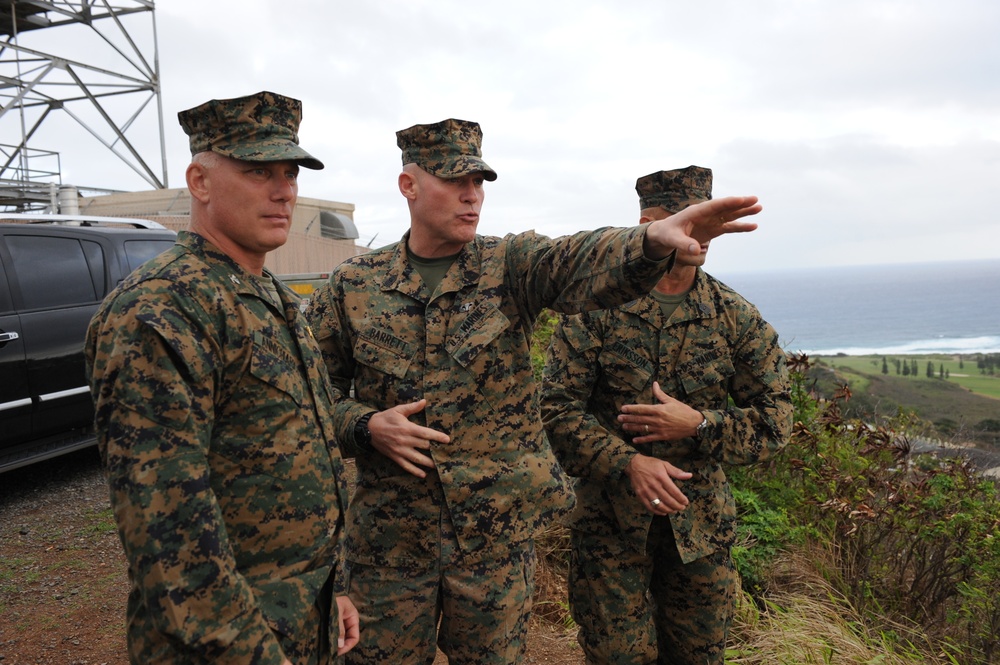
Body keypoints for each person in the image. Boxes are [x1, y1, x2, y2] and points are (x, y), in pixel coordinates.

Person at [305, 121, 762, 664]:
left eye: (479, 181)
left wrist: (649, 242)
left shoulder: (511, 266)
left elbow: (576, 261)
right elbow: (310, 399)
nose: (472, 195)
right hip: (388, 543)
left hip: (493, 541)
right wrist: (365, 425)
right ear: (409, 185)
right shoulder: (353, 286)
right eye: (455, 181)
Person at [85, 91, 359, 665]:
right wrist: (248, 652)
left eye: (289, 173)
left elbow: (295, 452)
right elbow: (167, 526)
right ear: (200, 182)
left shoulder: (269, 297)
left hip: (298, 619)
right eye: (259, 172)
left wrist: (333, 592)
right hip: (224, 644)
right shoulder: (161, 310)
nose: (284, 191)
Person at [540, 165, 793, 664]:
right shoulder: (596, 310)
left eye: (710, 221)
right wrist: (627, 463)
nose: (702, 233)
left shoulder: (732, 316)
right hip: (609, 531)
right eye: (690, 220)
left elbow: (777, 418)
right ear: (650, 222)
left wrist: (699, 425)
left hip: (698, 533)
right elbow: (556, 410)